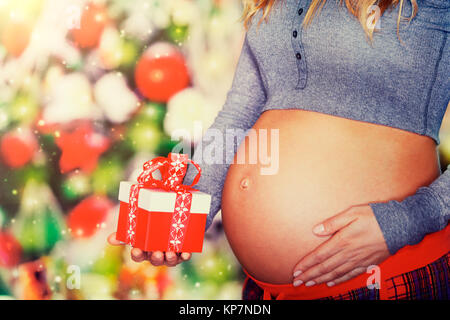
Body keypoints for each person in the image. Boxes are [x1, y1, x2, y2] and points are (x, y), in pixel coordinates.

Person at [109, 0, 449, 300]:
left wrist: (406, 220)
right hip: (264, 290)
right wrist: (188, 213)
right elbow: (240, 111)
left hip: (382, 275)